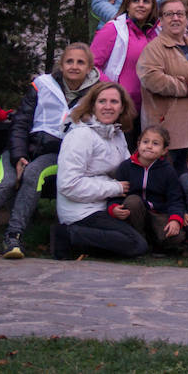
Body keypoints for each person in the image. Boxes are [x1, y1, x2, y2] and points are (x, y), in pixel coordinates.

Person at [0, 43, 101, 262]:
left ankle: (14, 236)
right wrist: (18, 155)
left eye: (81, 62)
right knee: (6, 182)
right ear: (61, 64)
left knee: (33, 174)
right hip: (23, 148)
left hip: (58, 154)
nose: (74, 66)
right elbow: (20, 123)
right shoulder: (42, 85)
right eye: (69, 61)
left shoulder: (96, 94)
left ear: (89, 68)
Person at [49, 82, 148, 260]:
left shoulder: (117, 134)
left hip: (106, 205)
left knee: (142, 236)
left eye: (114, 102)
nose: (108, 107)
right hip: (81, 211)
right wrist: (115, 189)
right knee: (136, 244)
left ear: (122, 107)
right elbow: (68, 185)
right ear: (93, 105)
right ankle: (67, 234)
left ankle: (85, 246)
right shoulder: (80, 135)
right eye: (102, 101)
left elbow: (125, 170)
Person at [136, 0, 188, 174]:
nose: (175, 18)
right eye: (169, 14)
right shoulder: (154, 48)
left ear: (186, 18)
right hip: (172, 132)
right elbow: (151, 78)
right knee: (173, 181)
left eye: (180, 14)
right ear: (161, 20)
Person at [108, 124, 185, 253]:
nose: (149, 146)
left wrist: (175, 220)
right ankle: (139, 239)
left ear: (164, 150)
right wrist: (113, 207)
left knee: (177, 237)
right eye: (145, 142)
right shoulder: (126, 167)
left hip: (158, 214)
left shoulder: (167, 171)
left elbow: (175, 199)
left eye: (155, 144)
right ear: (138, 144)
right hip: (134, 213)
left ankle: (156, 243)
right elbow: (115, 193)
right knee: (133, 200)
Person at [91, 0, 160, 116]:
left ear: (152, 7)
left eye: (146, 1)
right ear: (127, 5)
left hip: (150, 109)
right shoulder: (113, 29)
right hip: (119, 108)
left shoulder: (158, 33)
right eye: (135, 0)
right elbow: (92, 66)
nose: (141, 5)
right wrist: (114, 90)